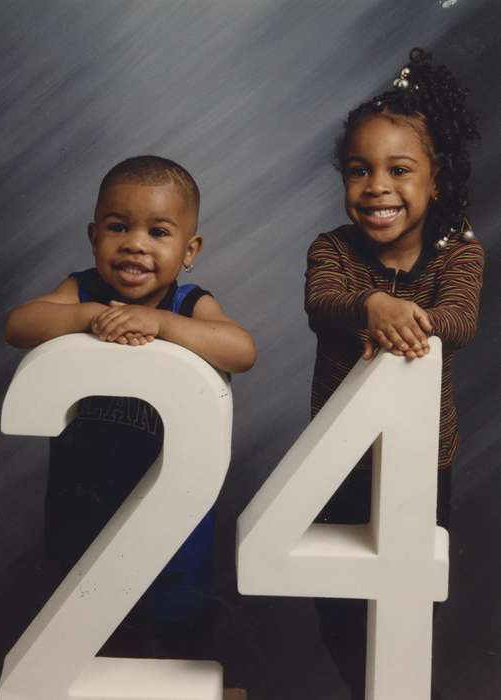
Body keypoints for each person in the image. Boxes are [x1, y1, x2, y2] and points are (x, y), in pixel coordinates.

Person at [5, 155, 256, 654]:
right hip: (85, 511)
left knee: (168, 647)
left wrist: (162, 326)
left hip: (168, 524)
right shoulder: (83, 291)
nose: (136, 243)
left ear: (190, 250)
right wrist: (86, 316)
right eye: (119, 227)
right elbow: (19, 325)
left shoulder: (188, 304)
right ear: (94, 236)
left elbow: (241, 350)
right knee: (79, 645)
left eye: (158, 232)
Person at [305, 48, 484, 699]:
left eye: (399, 170)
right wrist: (371, 305)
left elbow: (460, 321)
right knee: (337, 603)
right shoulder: (333, 251)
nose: (377, 186)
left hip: (418, 461)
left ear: (435, 182)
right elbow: (322, 306)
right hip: (338, 460)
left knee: (409, 609)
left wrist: (412, 317)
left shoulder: (459, 253)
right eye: (360, 170)